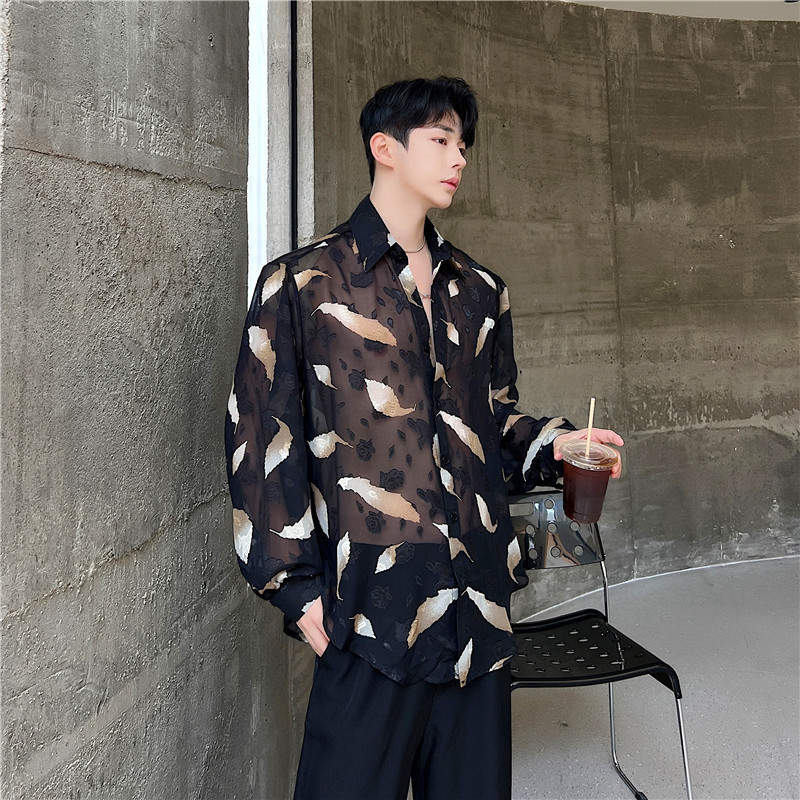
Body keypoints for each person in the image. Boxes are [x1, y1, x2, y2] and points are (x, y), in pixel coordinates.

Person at [225, 76, 623, 800]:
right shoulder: (302, 284)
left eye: (462, 143)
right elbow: (260, 442)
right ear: (385, 148)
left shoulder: (480, 291)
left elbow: (489, 425)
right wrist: (299, 595)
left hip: (477, 613)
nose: (459, 157)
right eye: (440, 139)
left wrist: (555, 444)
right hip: (366, 617)